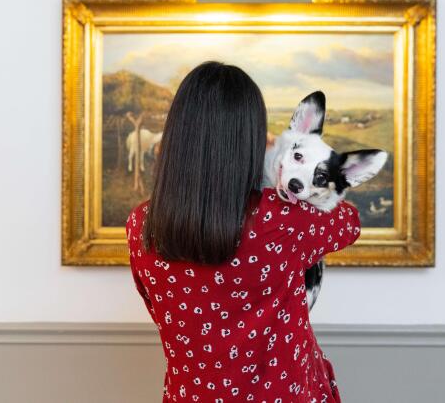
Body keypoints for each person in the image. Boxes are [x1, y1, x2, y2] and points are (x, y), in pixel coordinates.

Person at [126, 61, 361, 402]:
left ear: (176, 136)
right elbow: (349, 222)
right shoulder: (282, 219)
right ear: (253, 141)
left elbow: (155, 305)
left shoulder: (141, 223)